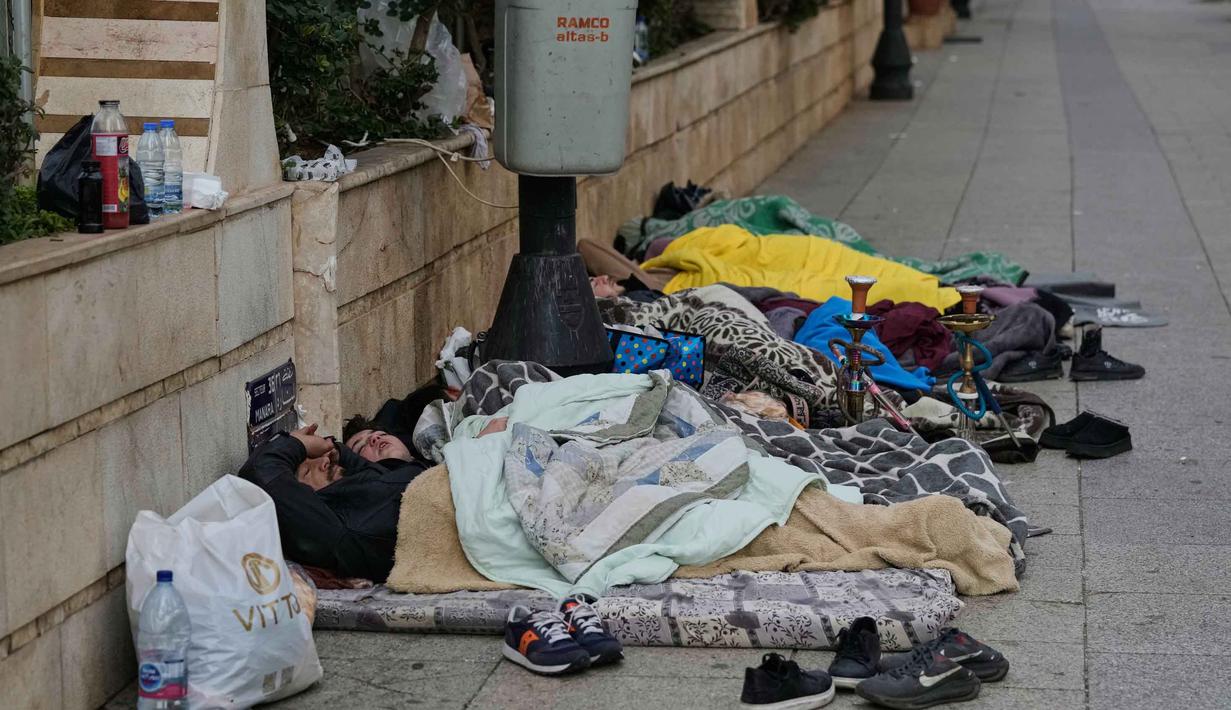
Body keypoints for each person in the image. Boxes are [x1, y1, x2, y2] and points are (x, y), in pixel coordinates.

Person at [239, 417, 509, 582]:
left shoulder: (370, 483)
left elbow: (353, 459)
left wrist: (324, 446)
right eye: (307, 471)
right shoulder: (336, 527)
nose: (323, 463)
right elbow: (261, 473)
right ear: (297, 500)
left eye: (322, 459)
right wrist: (296, 445)